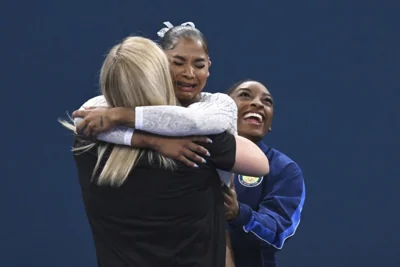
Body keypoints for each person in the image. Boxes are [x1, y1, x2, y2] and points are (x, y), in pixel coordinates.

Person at [60, 36, 270, 267]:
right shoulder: (197, 144)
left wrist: (142, 136)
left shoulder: (87, 142)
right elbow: (259, 163)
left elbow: (84, 118)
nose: (187, 73)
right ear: (161, 77)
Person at [72, 21, 237, 184]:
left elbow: (191, 121)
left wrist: (118, 115)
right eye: (178, 63)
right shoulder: (140, 104)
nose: (189, 73)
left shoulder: (221, 104)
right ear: (159, 63)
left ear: (208, 67)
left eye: (199, 65)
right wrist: (154, 142)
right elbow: (81, 119)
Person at [223, 80, 306, 267]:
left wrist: (238, 213)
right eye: (245, 95)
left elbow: (277, 231)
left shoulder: (284, 169)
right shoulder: (196, 151)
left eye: (267, 101)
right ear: (223, 109)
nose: (258, 104)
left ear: (269, 124)